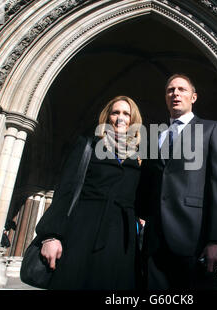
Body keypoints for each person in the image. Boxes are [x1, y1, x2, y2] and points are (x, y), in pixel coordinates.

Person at [136, 74, 217, 289]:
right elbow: (146, 185)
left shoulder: (212, 129)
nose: (175, 94)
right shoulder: (155, 136)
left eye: (182, 89)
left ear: (194, 97)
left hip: (194, 240)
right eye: (170, 90)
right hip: (154, 244)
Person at [35, 95, 143, 290]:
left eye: (126, 114)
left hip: (121, 241)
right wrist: (51, 235)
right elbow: (66, 191)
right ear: (107, 117)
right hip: (83, 233)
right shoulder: (88, 145)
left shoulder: (138, 158)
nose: (120, 117)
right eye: (115, 112)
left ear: (133, 120)